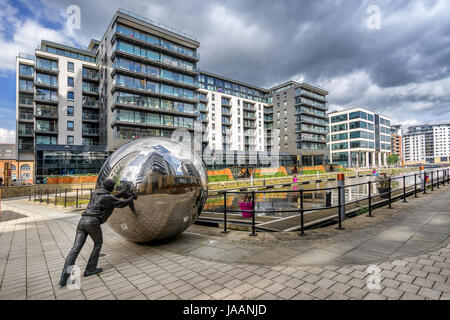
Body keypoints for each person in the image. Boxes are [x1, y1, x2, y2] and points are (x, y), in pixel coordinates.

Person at [58, 179, 137, 287]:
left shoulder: (95, 193)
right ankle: (90, 269)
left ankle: (63, 278)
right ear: (111, 188)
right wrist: (132, 197)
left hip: (82, 222)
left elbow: (110, 199)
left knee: (75, 249)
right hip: (92, 222)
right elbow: (121, 203)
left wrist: (121, 194)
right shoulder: (107, 197)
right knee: (98, 244)